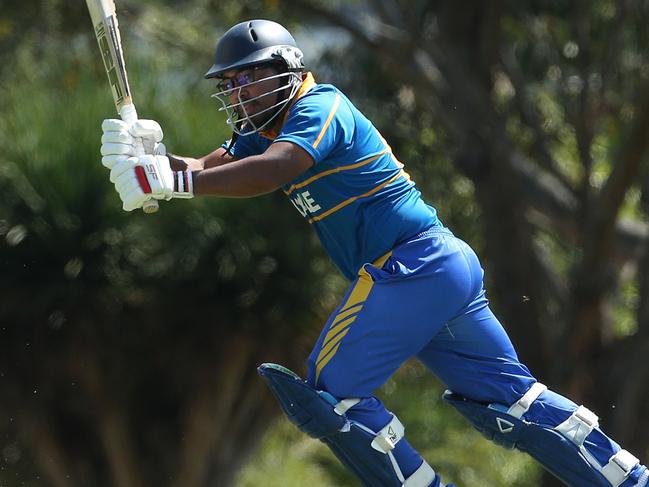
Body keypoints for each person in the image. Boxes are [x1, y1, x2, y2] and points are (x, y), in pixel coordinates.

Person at [98, 19, 649, 487]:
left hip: (411, 267)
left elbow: (274, 172)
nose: (240, 93)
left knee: (329, 398)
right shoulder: (262, 132)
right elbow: (201, 169)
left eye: (251, 78)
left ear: (286, 71)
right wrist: (152, 159)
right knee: (515, 404)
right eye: (232, 83)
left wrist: (171, 181)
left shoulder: (319, 106)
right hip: (437, 269)